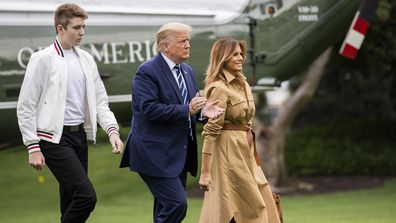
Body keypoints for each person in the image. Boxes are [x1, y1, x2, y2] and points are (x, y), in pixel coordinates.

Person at [16, 3, 124, 223]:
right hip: (52, 139)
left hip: (79, 137)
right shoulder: (42, 59)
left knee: (70, 203)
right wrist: (32, 146)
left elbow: (100, 101)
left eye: (84, 27)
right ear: (60, 29)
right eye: (76, 27)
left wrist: (112, 131)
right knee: (86, 197)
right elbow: (26, 106)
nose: (81, 32)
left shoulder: (86, 59)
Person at [120, 22, 224, 223]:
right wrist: (188, 109)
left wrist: (203, 112)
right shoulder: (147, 71)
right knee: (177, 204)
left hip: (179, 154)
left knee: (165, 209)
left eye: (188, 41)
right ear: (164, 46)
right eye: (182, 41)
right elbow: (149, 109)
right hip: (154, 154)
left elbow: (190, 108)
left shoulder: (186, 71)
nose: (188, 45)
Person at [198, 38, 281, 223]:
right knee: (247, 205)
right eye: (234, 54)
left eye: (241, 53)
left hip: (247, 149)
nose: (240, 57)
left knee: (261, 197)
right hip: (228, 150)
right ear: (223, 58)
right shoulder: (218, 88)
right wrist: (205, 172)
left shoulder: (243, 84)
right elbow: (211, 131)